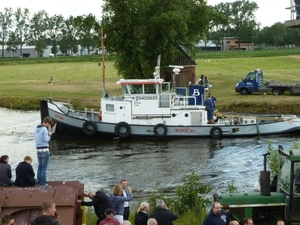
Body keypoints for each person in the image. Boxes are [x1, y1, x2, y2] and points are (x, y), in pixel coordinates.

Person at [34, 116, 53, 187]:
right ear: (47, 123)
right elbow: (46, 140)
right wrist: (49, 135)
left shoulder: (36, 128)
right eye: (49, 124)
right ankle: (44, 183)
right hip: (44, 150)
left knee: (40, 166)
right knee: (44, 167)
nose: (49, 126)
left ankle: (39, 182)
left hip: (38, 150)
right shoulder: (44, 129)